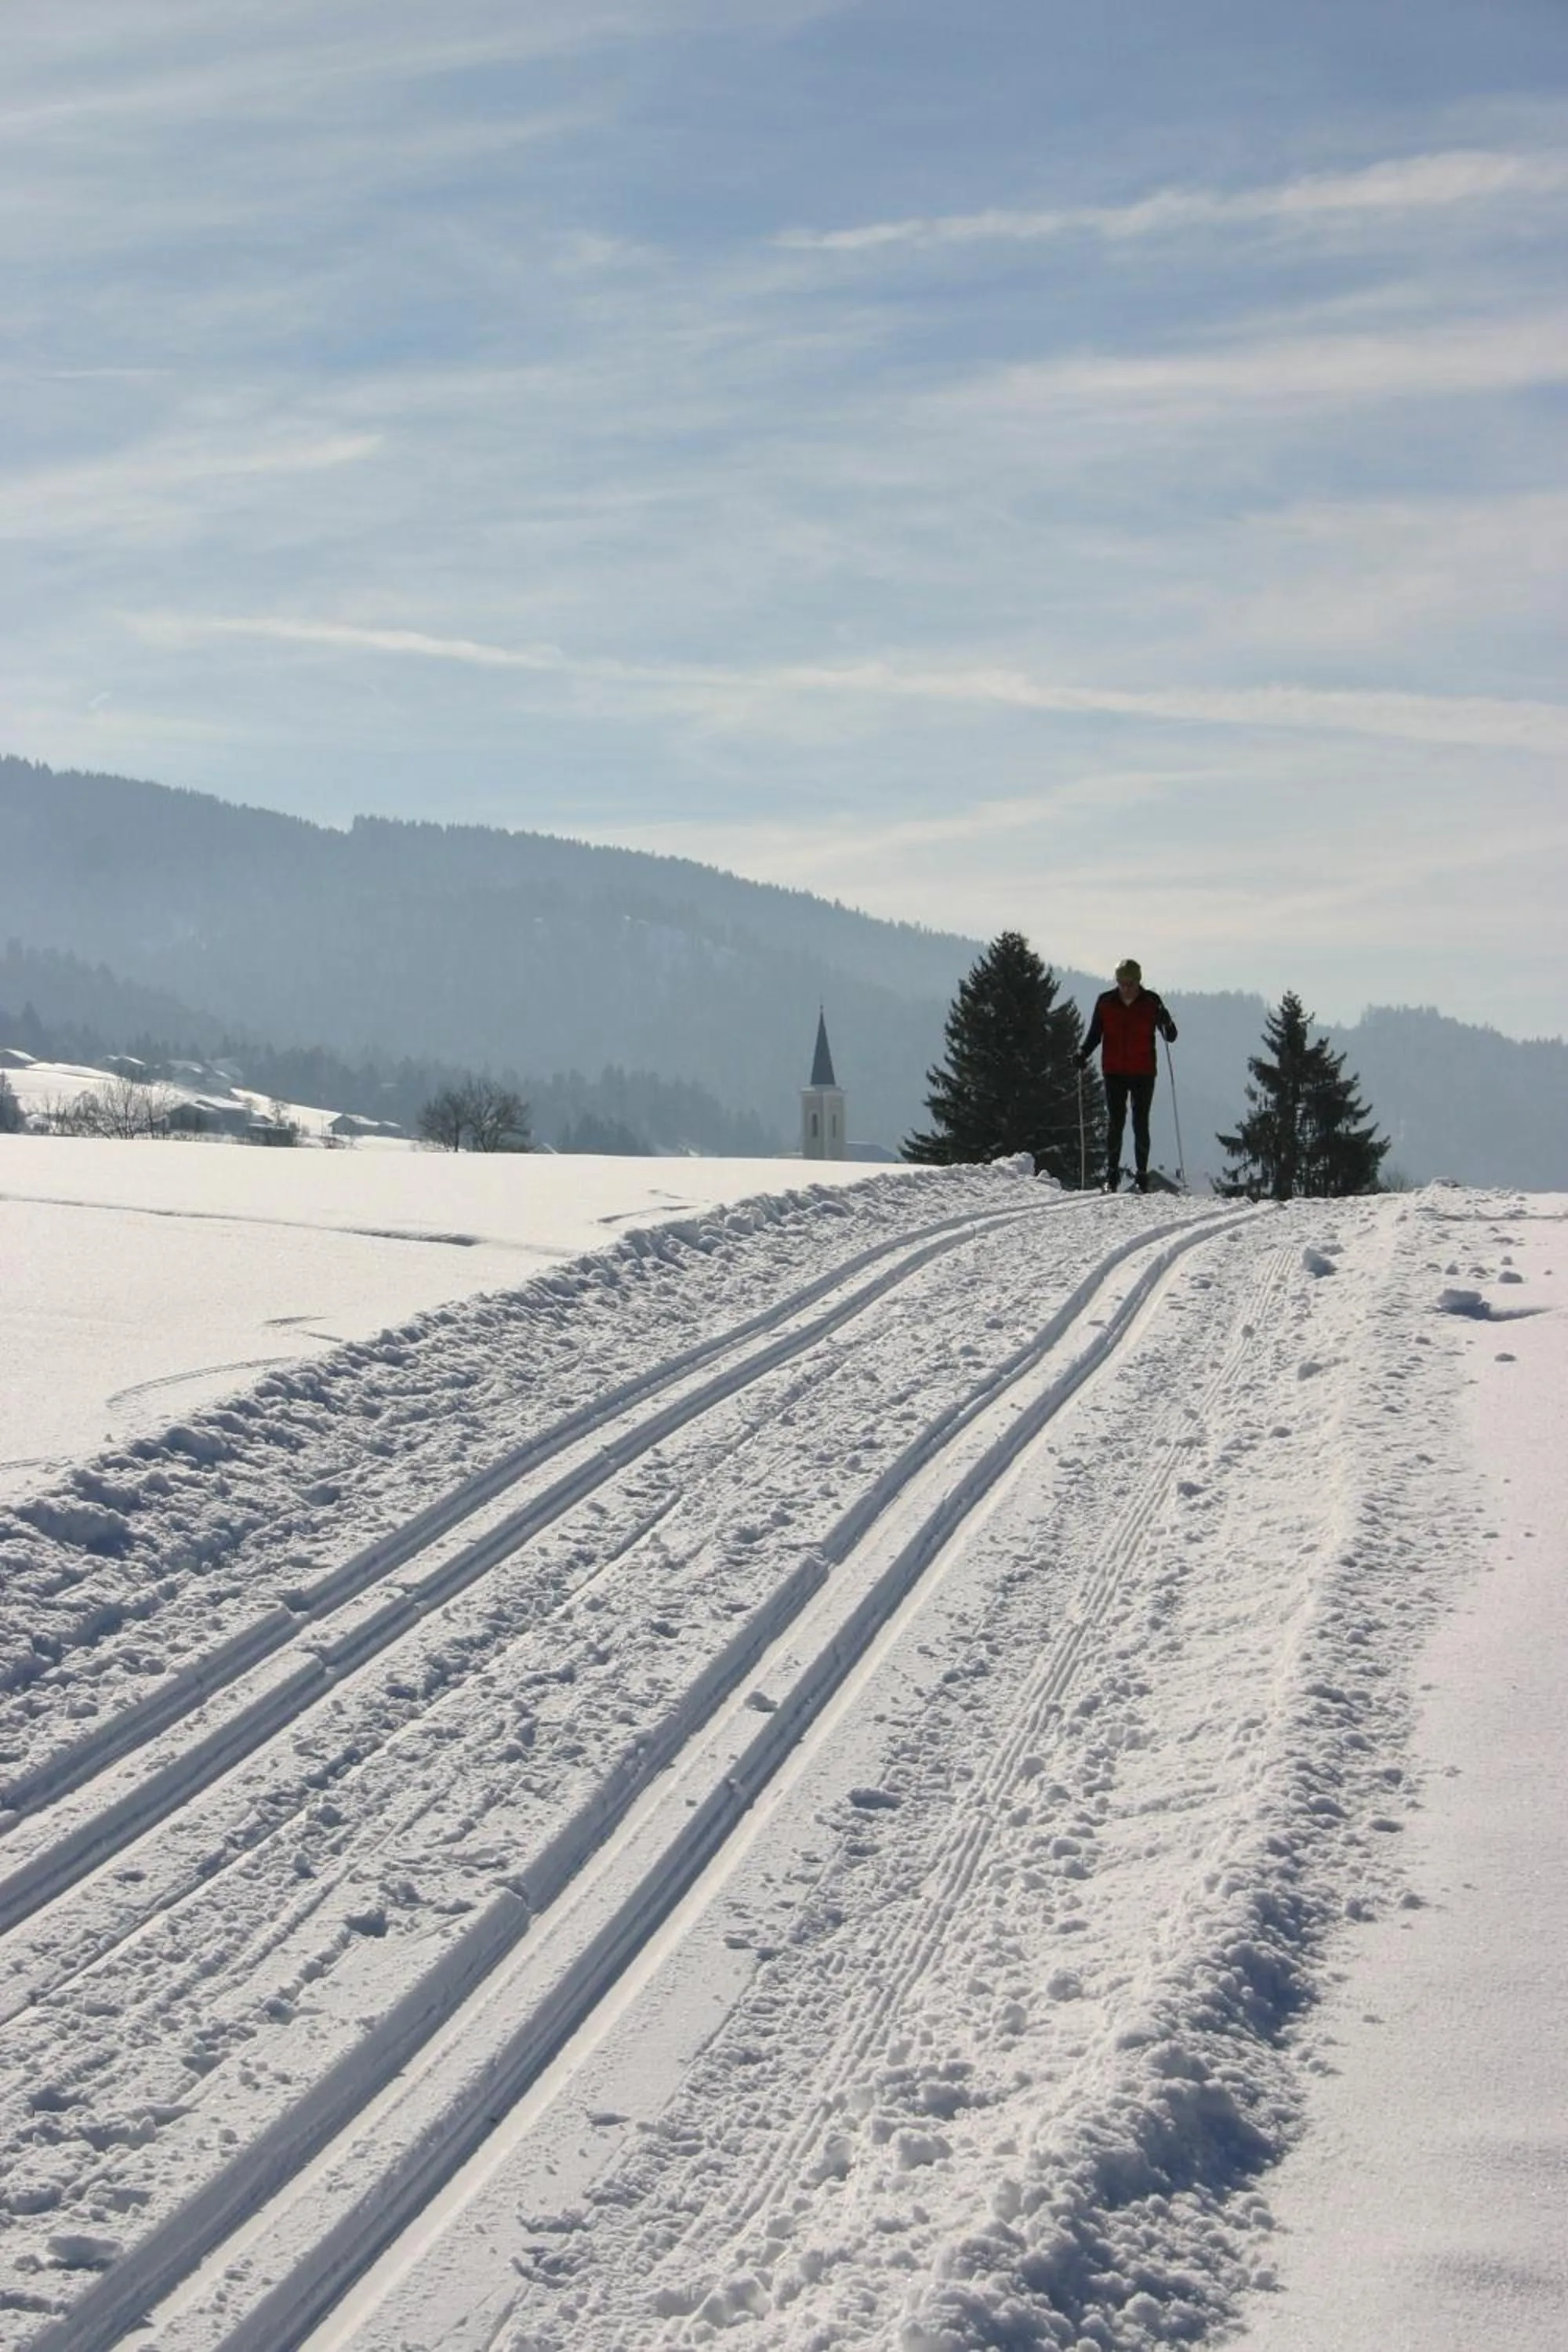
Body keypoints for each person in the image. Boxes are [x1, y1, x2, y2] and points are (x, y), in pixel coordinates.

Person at [1076, 957, 1178, 1192]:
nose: (1126, 988)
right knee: (1116, 1122)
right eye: (1122, 983)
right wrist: (1083, 1053)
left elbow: (1171, 1036)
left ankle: (1142, 1176)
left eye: (1130, 984)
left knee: (1140, 1123)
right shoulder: (1105, 1002)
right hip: (1114, 1071)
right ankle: (1112, 1176)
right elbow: (1095, 1034)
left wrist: (1167, 1021)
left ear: (1139, 981)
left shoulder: (1152, 1002)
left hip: (1143, 1072)